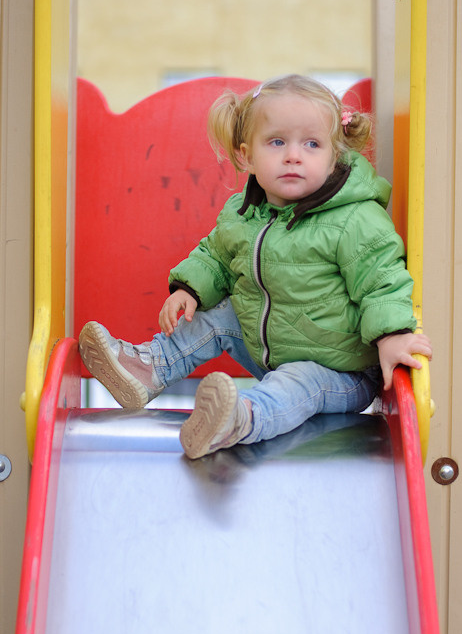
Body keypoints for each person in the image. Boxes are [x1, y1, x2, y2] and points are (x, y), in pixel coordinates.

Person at [79, 74, 432, 460]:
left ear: (335, 156)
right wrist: (189, 289)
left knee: (299, 381)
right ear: (246, 155)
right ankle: (149, 369)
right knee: (218, 314)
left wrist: (392, 335)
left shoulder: (354, 219)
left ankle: (241, 418)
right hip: (270, 351)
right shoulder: (243, 213)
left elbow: (382, 279)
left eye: (312, 144)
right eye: (277, 142)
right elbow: (215, 255)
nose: (293, 155)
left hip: (338, 371)